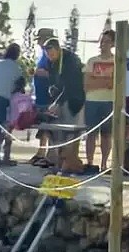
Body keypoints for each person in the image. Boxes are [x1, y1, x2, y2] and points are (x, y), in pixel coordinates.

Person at [42, 38, 86, 171]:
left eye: (51, 52)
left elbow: (71, 85)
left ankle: (71, 164)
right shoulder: (51, 62)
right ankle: (60, 163)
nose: (50, 56)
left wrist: (57, 103)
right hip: (59, 100)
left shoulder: (71, 60)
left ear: (58, 49)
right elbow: (54, 80)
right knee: (57, 132)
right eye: (47, 53)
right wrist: (52, 90)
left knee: (71, 133)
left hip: (74, 101)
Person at [84, 29, 116, 173]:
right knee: (91, 133)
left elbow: (115, 83)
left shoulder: (117, 61)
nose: (103, 44)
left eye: (107, 41)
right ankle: (90, 162)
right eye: (102, 41)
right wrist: (105, 81)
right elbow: (87, 85)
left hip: (109, 101)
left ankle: (104, 164)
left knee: (107, 134)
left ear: (113, 43)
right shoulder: (92, 61)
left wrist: (97, 80)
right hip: (92, 101)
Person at [31, 28, 58, 166]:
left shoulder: (51, 56)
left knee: (49, 126)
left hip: (49, 97)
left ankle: (50, 154)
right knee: (43, 126)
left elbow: (53, 74)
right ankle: (41, 152)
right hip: (40, 96)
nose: (40, 42)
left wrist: (39, 72)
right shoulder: (42, 55)